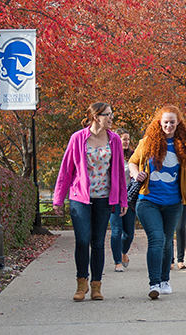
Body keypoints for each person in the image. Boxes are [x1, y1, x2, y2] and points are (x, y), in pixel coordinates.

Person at [53, 102, 128, 302]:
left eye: (112, 114)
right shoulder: (77, 138)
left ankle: (96, 286)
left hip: (104, 198)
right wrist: (58, 199)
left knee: (97, 242)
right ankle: (81, 283)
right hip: (80, 198)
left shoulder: (115, 141)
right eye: (108, 115)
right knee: (83, 240)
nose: (111, 118)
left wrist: (122, 199)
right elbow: (66, 169)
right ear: (96, 116)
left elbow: (120, 172)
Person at [129, 105, 186, 300]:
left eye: (172, 122)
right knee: (157, 238)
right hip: (148, 200)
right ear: (159, 123)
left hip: (174, 203)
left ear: (178, 124)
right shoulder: (147, 143)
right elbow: (132, 162)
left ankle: (165, 280)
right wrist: (136, 175)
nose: (168, 125)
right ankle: (154, 284)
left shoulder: (182, 148)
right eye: (165, 122)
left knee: (168, 241)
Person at [110, 128, 137, 273]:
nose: (126, 142)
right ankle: (117, 261)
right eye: (123, 139)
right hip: (114, 198)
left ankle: (123, 251)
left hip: (129, 198)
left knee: (129, 232)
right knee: (116, 231)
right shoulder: (111, 155)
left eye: (128, 139)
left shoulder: (132, 156)